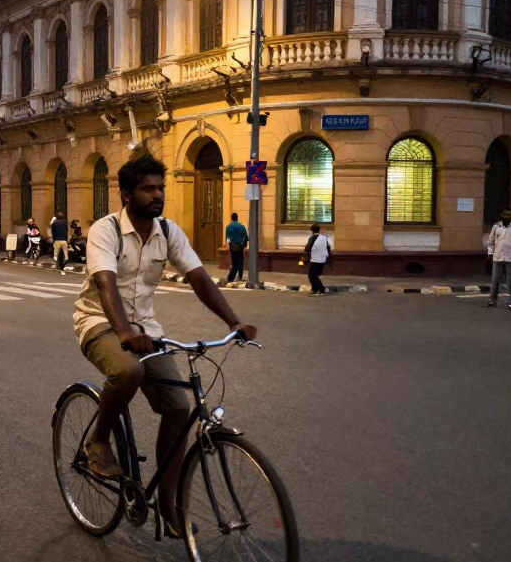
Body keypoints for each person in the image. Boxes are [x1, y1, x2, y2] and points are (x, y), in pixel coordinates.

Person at [75, 155, 257, 536]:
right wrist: (123, 331)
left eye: (161, 188)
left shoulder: (169, 232)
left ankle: (169, 503)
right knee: (128, 370)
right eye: (148, 189)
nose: (158, 195)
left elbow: (200, 279)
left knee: (179, 407)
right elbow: (106, 283)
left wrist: (233, 322)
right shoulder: (104, 230)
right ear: (126, 195)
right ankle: (99, 440)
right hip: (99, 322)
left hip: (147, 329)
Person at [486, 207, 511, 309]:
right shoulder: (496, 227)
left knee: (510, 281)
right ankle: (492, 301)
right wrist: (490, 253)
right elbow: (491, 241)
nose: (508, 216)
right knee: (495, 280)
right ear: (502, 216)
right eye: (506, 215)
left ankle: (510, 302)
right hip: (498, 257)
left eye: (509, 215)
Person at [299, 224, 331, 295]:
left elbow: (307, 248)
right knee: (314, 275)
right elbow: (328, 247)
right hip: (322, 259)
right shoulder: (324, 238)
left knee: (312, 275)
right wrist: (328, 257)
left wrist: (303, 257)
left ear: (311, 230)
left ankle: (321, 289)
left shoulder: (312, 238)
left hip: (315, 259)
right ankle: (315, 289)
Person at [225, 212, 249, 282]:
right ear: (237, 218)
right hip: (240, 246)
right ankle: (240, 276)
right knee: (240, 260)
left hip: (232, 246)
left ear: (231, 218)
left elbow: (227, 238)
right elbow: (246, 237)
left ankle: (231, 277)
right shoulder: (241, 226)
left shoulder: (228, 226)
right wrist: (244, 245)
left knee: (234, 262)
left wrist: (228, 246)